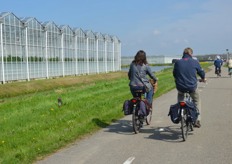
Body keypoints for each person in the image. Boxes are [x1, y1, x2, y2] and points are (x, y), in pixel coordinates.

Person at [173, 47, 206, 128]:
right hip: (192, 87)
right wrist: (203, 78)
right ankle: (197, 120)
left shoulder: (177, 62)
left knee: (180, 97)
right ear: (191, 54)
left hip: (180, 87)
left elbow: (174, 74)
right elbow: (201, 72)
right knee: (196, 101)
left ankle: (180, 113)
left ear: (183, 54)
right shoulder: (195, 62)